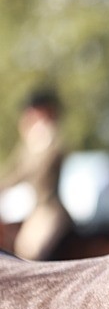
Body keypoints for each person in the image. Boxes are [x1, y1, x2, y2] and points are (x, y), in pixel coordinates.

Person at [0, 89, 71, 260]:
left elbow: (37, 171)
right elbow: (15, 170)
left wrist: (33, 139)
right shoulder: (32, 141)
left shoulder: (53, 140)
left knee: (29, 252)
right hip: (33, 208)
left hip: (48, 209)